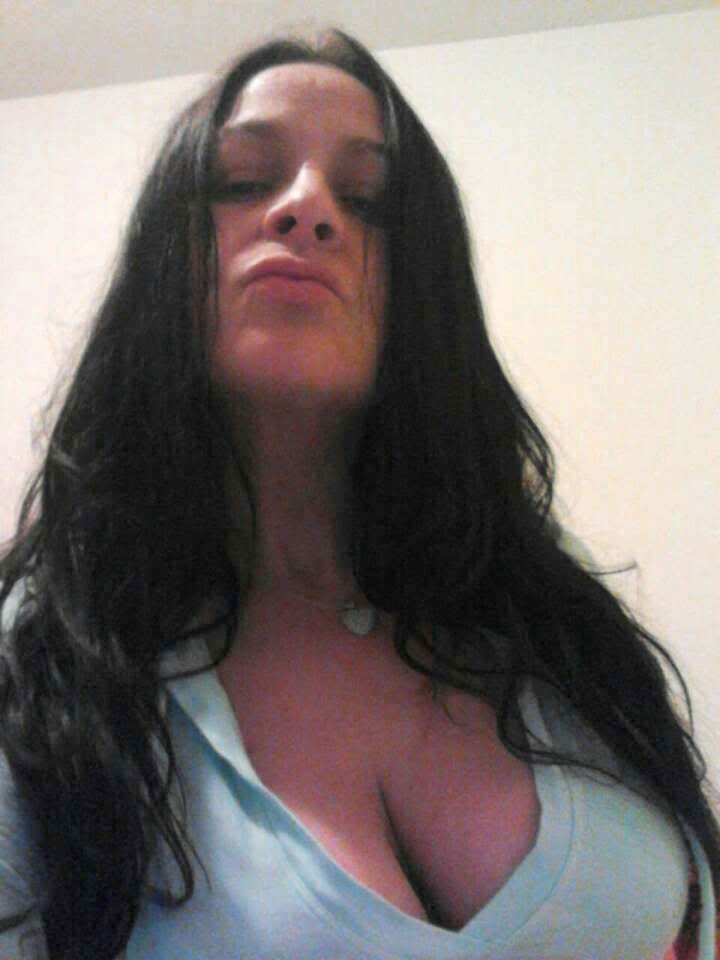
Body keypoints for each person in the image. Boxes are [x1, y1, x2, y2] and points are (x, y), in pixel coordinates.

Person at [0, 28, 717, 960]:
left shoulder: (544, 604)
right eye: (243, 180)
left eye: (368, 199)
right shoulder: (46, 668)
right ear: (163, 262)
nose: (307, 206)